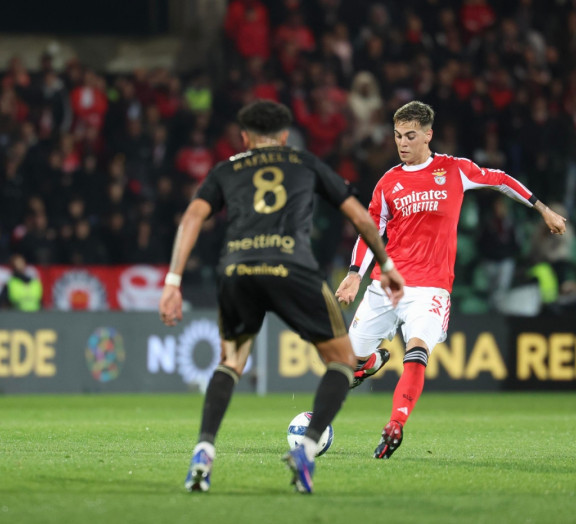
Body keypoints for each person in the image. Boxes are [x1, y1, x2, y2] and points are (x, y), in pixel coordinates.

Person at [158, 100, 404, 494]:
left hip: (239, 269)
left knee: (231, 362)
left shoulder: (226, 169)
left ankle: (203, 452)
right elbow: (360, 216)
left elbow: (191, 217)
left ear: (245, 138)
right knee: (343, 360)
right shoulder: (304, 163)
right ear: (285, 136)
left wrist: (173, 281)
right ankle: (306, 450)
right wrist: (386, 266)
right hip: (293, 268)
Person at [335, 101, 566, 459]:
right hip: (386, 284)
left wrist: (542, 208)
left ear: (428, 135)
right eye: (398, 136)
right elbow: (370, 232)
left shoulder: (454, 169)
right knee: (346, 364)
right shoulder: (389, 182)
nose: (402, 143)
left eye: (410, 136)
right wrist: (354, 275)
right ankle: (368, 363)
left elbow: (501, 180)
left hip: (430, 286)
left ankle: (395, 424)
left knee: (417, 351)